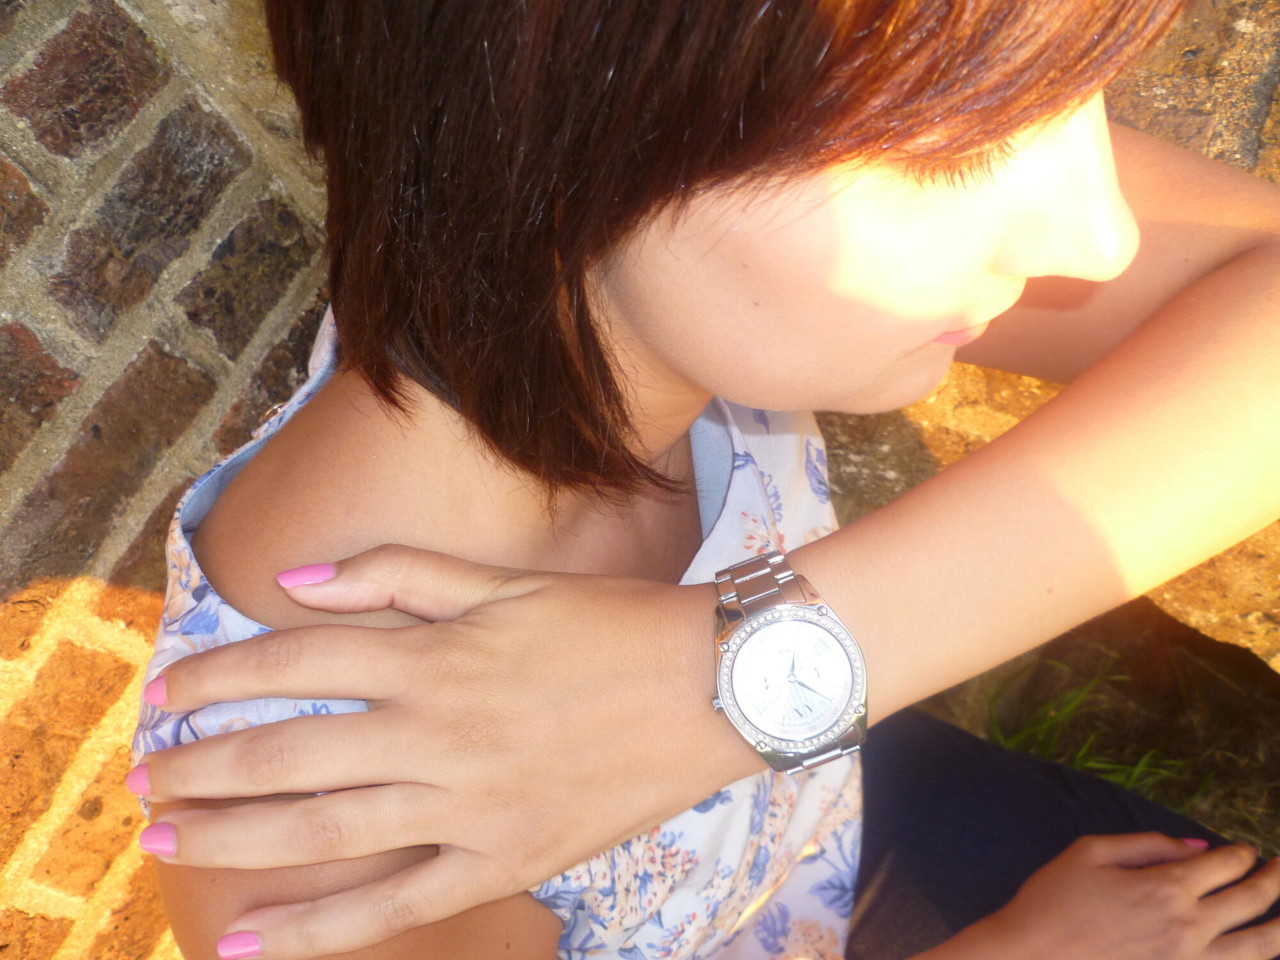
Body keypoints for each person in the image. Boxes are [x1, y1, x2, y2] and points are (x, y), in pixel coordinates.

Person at [125, 0, 1280, 957]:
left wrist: (733, 677)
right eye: (954, 145)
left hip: (838, 803)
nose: (1093, 237)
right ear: (562, 137)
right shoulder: (328, 817)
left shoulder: (610, 281)